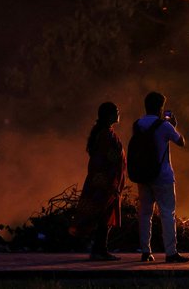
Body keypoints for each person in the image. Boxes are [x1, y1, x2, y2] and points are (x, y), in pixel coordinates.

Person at [136, 91, 189, 263]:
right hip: (163, 176)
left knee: (145, 214)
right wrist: (173, 125)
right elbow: (181, 142)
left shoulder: (137, 124)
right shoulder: (164, 126)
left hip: (143, 175)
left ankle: (145, 251)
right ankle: (171, 252)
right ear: (160, 107)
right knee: (167, 214)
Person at [69, 102, 126, 261]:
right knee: (103, 216)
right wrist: (111, 183)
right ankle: (99, 250)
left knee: (104, 216)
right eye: (115, 111)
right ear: (108, 115)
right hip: (105, 183)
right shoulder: (106, 136)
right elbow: (109, 160)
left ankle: (99, 249)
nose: (118, 113)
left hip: (105, 182)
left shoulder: (105, 133)